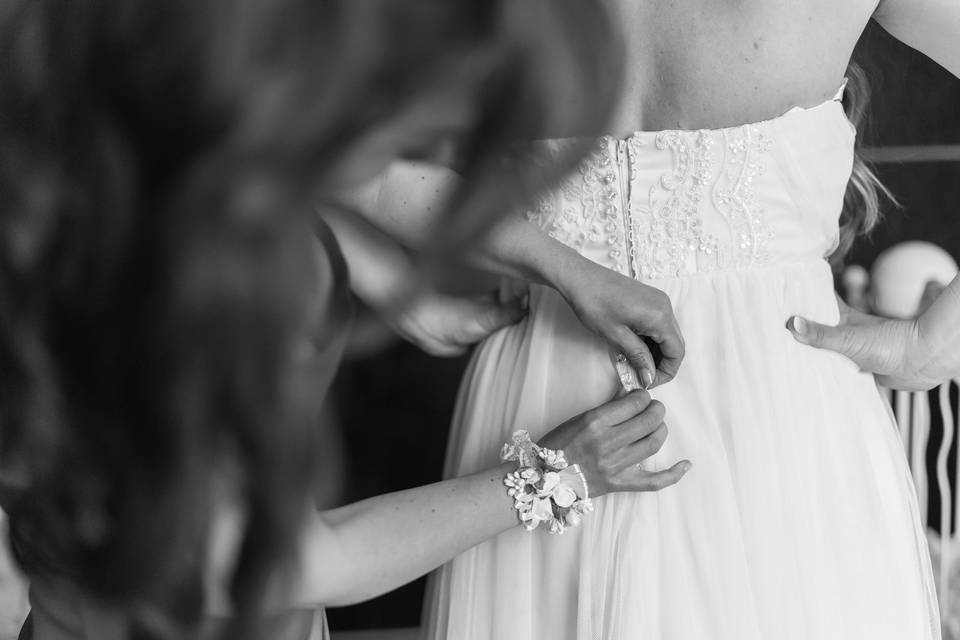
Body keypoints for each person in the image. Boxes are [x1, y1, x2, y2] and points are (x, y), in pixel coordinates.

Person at [0, 1, 691, 639]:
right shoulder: (146, 326)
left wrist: (564, 271)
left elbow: (367, 181)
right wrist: (555, 476)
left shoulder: (139, 138)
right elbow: (308, 562)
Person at [343, 0, 960, 637]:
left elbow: (312, 151)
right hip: (778, 401)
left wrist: (402, 290)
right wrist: (934, 344)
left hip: (547, 389)